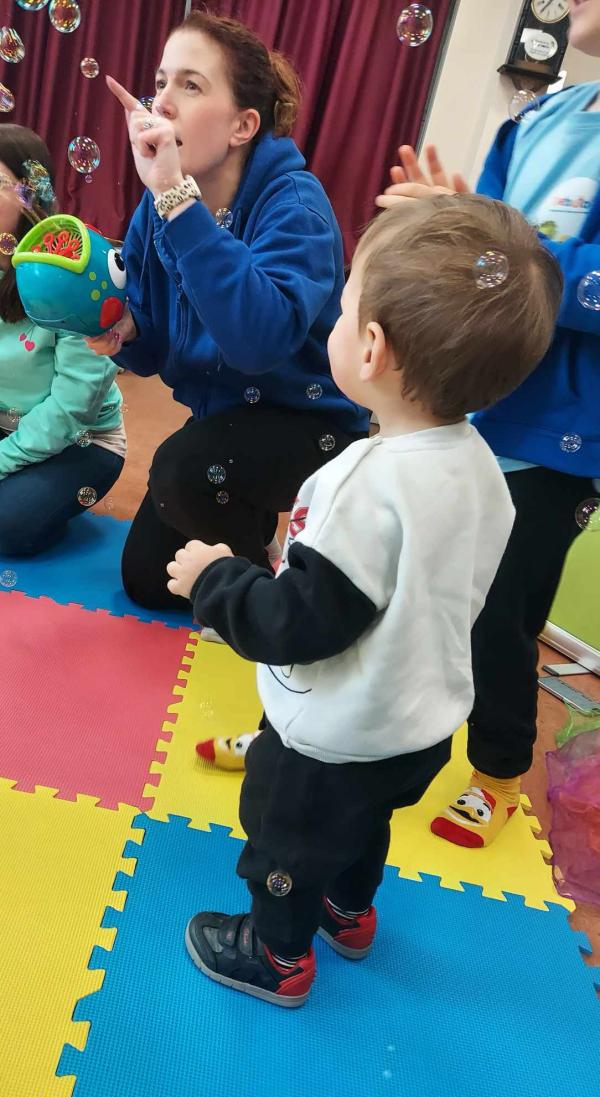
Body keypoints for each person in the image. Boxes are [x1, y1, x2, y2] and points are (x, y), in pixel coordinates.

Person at [165, 195, 563, 1007]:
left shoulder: (365, 481)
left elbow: (298, 625)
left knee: (283, 842)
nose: (336, 321)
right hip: (418, 725)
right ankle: (349, 913)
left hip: (331, 735)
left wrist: (216, 579)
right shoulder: (481, 465)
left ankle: (275, 953)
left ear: (372, 350)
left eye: (344, 308)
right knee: (363, 826)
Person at [378, 0, 600, 849]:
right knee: (396, 566)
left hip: (559, 435)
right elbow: (491, 251)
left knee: (499, 610)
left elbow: (521, 261)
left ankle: (499, 769)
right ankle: (331, 723)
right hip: (470, 393)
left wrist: (511, 253)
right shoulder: (542, 114)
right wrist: (456, 223)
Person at [88, 11, 367, 616]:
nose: (162, 101)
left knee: (182, 469)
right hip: (227, 426)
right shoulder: (157, 203)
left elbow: (256, 342)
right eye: (161, 82)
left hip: (315, 428)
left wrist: (177, 203)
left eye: (190, 85)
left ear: (244, 125)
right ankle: (259, 537)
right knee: (147, 581)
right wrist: (125, 333)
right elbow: (155, 344)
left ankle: (267, 598)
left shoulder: (294, 204)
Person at [0, 125, 124, 558]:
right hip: (9, 423)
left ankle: (46, 500)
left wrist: (2, 460)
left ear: (29, 196)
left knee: (9, 528)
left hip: (83, 440)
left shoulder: (70, 273)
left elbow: (72, 406)